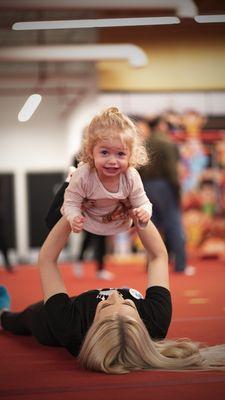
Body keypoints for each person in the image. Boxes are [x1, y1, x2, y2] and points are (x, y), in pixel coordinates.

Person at [1, 217, 225, 373]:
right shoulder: (155, 320)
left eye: (106, 306)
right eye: (128, 304)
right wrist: (138, 214)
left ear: (92, 326)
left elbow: (47, 260)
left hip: (51, 320)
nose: (116, 296)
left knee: (19, 320)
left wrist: (71, 214)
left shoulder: (68, 326)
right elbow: (158, 256)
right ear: (140, 321)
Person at [61, 107, 152, 236]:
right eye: (104, 152)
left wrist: (144, 211)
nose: (112, 161)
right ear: (90, 152)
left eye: (120, 154)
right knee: (60, 210)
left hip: (120, 223)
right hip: (89, 223)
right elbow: (70, 203)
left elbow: (144, 202)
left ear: (131, 155)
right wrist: (74, 217)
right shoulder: (84, 175)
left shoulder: (130, 176)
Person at [139, 115, 194, 275]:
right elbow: (172, 171)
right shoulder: (167, 143)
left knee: (150, 226)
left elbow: (138, 168)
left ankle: (150, 265)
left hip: (146, 187)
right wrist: (177, 192)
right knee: (174, 225)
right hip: (164, 186)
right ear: (161, 125)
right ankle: (181, 265)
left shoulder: (144, 143)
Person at [45, 166, 114, 280]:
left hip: (98, 212)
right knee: (88, 240)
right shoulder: (82, 176)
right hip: (85, 211)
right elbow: (50, 220)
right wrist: (80, 207)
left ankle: (100, 269)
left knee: (101, 240)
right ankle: (80, 261)